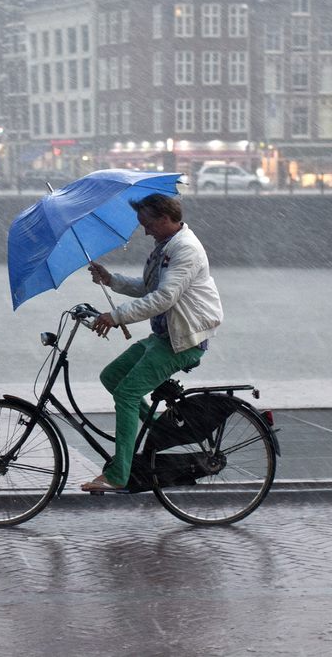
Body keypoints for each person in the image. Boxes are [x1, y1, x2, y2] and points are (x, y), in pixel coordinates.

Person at [81, 192, 223, 493]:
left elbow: (163, 297)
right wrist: (111, 280)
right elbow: (148, 288)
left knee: (128, 395)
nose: (144, 230)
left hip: (182, 341)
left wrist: (116, 317)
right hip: (163, 337)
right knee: (112, 376)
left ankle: (119, 475)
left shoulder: (185, 249)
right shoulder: (165, 247)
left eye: (147, 224)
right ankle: (159, 429)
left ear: (165, 218)